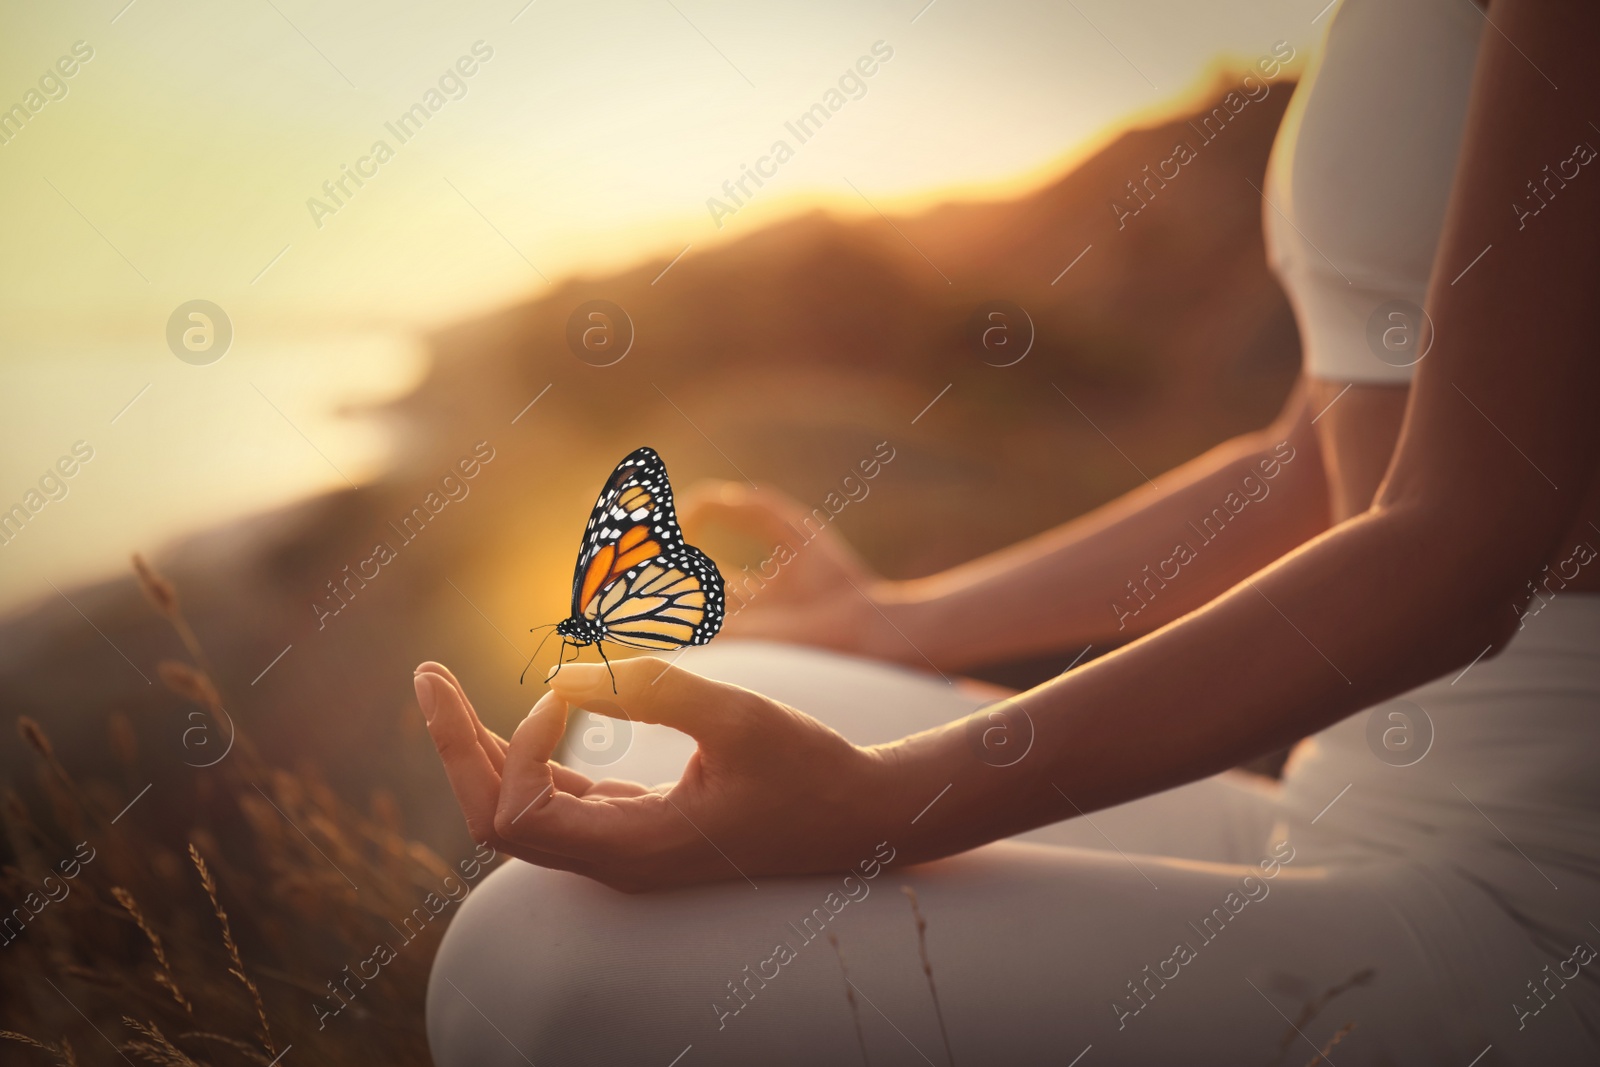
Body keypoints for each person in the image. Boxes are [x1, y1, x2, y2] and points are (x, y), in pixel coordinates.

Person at [419, 0, 1600, 1061]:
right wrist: (893, 622)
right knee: (668, 717)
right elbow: (1314, 460)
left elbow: (1466, 540)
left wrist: (882, 804)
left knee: (536, 964)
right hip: (1334, 787)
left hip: (1533, 898)